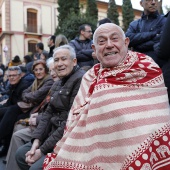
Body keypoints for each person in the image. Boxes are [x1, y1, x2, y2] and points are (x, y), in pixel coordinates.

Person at [43, 23, 170, 170]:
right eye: (102, 42)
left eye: (115, 39)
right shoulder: (89, 77)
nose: (109, 45)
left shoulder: (147, 67)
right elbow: (74, 120)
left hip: (142, 151)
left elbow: (157, 119)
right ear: (94, 50)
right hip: (90, 151)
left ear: (126, 43)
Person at [15, 45, 85, 170]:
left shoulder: (81, 80)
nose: (59, 64)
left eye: (64, 59)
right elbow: (48, 114)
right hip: (51, 135)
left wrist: (41, 150)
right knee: (20, 154)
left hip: (67, 141)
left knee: (34, 168)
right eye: (56, 60)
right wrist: (36, 142)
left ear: (74, 62)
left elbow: (69, 122)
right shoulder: (58, 82)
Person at [5, 58, 58, 170]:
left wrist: (37, 117)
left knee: (14, 117)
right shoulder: (37, 82)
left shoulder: (49, 81)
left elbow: (35, 96)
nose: (38, 72)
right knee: (11, 114)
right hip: (37, 115)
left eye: (41, 69)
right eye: (36, 70)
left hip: (45, 124)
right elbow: (25, 94)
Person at [0, 66, 32, 156]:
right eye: (9, 76)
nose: (11, 78)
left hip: (24, 112)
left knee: (9, 113)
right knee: (5, 111)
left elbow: (21, 105)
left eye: (14, 75)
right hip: (14, 110)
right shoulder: (13, 85)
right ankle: (5, 146)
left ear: (20, 75)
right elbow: (10, 102)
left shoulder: (24, 86)